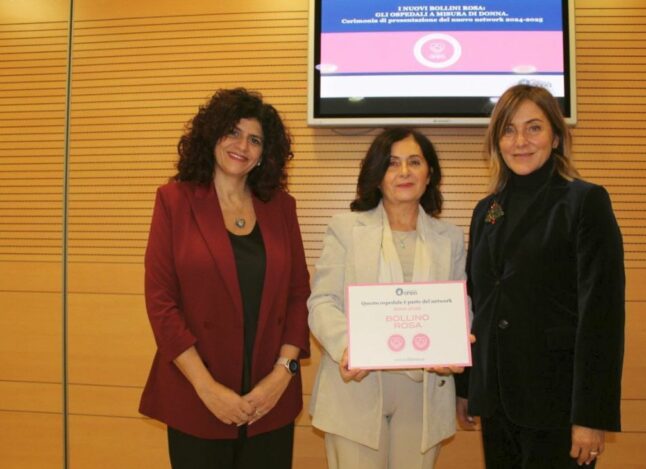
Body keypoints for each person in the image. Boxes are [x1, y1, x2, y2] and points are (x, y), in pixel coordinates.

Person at [139, 88, 310, 469]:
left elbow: (299, 294)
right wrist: (207, 388)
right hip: (196, 393)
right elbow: (161, 302)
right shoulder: (174, 200)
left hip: (270, 397)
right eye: (232, 132)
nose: (242, 146)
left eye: (255, 140)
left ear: (265, 153)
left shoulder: (281, 207)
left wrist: (281, 376)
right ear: (211, 135)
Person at [455, 84, 625, 468]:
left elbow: (602, 316)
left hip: (558, 405)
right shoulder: (486, 211)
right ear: (497, 141)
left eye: (533, 128)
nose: (520, 141)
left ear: (556, 137)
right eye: (508, 130)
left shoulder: (585, 202)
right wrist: (467, 387)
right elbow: (477, 305)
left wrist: (591, 415)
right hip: (497, 402)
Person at [308, 127, 466, 469]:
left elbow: (459, 304)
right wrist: (348, 347)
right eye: (392, 163)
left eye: (414, 162)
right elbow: (322, 301)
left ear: (429, 174)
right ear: (377, 175)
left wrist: (455, 343)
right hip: (356, 386)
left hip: (424, 390)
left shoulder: (450, 238)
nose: (404, 172)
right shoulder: (345, 228)